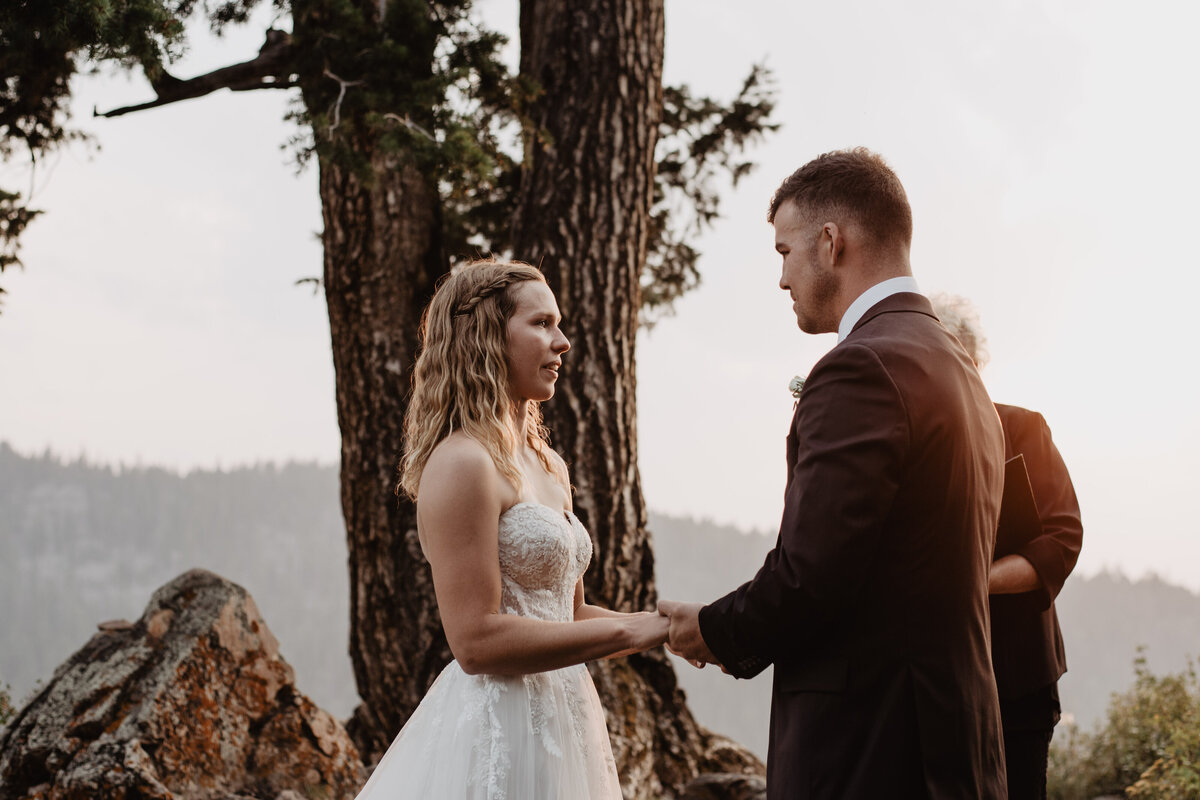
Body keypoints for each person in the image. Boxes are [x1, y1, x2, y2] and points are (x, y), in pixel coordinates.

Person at [658, 148, 1008, 799]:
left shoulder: (863, 367)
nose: (783, 279)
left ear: (830, 241)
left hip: (873, 752)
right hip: (959, 744)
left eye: (785, 253)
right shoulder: (958, 371)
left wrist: (709, 628)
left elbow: (811, 576)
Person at [354, 259, 669, 800]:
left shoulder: (549, 466)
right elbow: (475, 640)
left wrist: (669, 625)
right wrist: (633, 632)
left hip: (567, 717)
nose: (563, 341)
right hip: (499, 725)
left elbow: (568, 615)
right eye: (542, 324)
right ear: (485, 339)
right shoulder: (462, 463)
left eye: (559, 324)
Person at [933, 293, 1083, 800]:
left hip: (1016, 676)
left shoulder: (1024, 428)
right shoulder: (916, 440)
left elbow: (1062, 539)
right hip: (937, 678)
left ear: (975, 363)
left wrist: (975, 582)